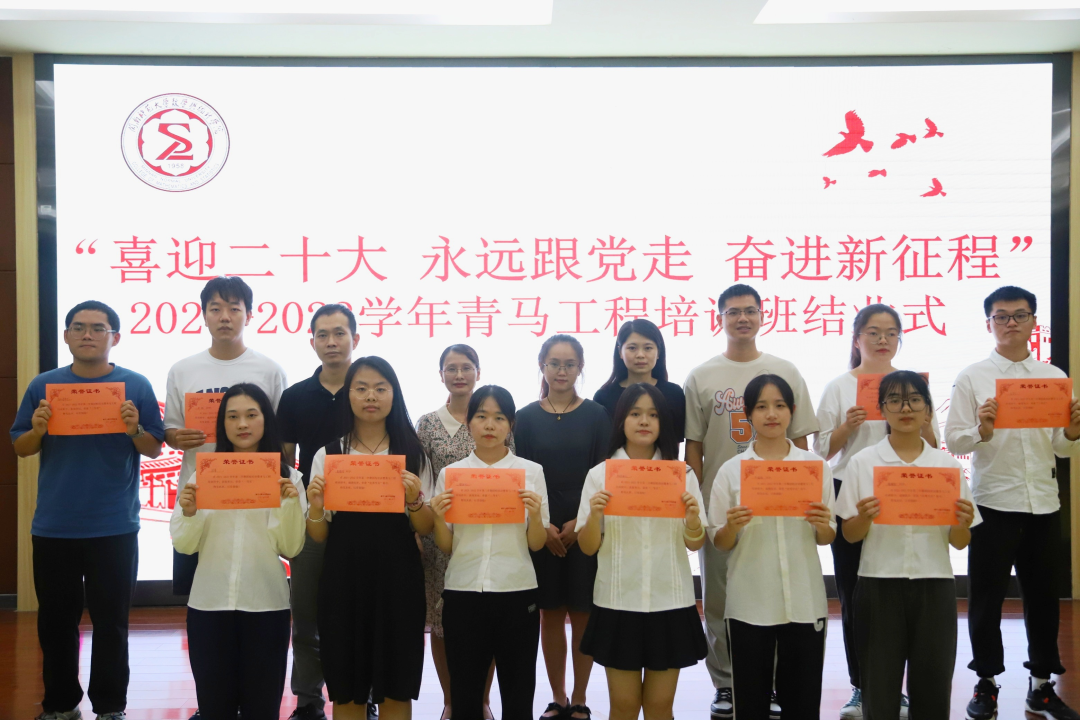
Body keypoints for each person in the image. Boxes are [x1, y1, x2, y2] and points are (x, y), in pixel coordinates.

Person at [11, 300, 165, 720]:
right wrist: (38, 430)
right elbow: (21, 447)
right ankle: (61, 706)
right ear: (66, 336)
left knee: (111, 623)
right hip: (54, 526)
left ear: (115, 337)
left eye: (98, 328)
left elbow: (153, 448)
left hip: (114, 525)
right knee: (56, 623)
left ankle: (110, 707)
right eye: (78, 327)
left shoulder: (134, 385)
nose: (87, 335)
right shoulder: (44, 385)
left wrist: (134, 429)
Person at [683, 283, 819, 720]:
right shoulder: (702, 375)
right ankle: (726, 683)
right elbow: (694, 446)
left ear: (762, 315)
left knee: (778, 591)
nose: (742, 318)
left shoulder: (785, 369)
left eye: (750, 311)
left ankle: (774, 683)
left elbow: (802, 442)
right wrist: (701, 501)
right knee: (721, 597)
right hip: (725, 504)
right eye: (733, 311)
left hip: (784, 505)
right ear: (719, 318)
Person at [945, 286, 1080, 720]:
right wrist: (981, 431)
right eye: (1001, 316)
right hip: (993, 502)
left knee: (1043, 598)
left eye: (1020, 315)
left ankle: (1041, 686)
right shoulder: (973, 377)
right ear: (989, 324)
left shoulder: (1053, 376)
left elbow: (1060, 447)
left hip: (1043, 502)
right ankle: (986, 683)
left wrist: (1073, 432)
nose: (1010, 323)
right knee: (986, 599)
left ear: (1034, 322)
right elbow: (954, 440)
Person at [814, 303, 939, 719]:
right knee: (854, 593)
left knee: (900, 593)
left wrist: (922, 421)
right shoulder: (839, 387)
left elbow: (935, 447)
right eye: (873, 332)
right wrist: (847, 427)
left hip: (907, 491)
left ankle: (896, 688)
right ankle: (861, 685)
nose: (882, 340)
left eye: (890, 333)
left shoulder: (913, 384)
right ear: (857, 339)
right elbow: (820, 451)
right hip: (851, 493)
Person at [838, 371, 978, 720]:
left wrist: (961, 523)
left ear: (928, 411)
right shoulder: (862, 463)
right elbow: (850, 535)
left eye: (915, 400)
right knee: (879, 688)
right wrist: (864, 518)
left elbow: (960, 542)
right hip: (878, 584)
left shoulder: (947, 467)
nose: (905, 408)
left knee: (933, 688)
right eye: (895, 400)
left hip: (935, 585)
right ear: (881, 409)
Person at [305, 357, 435, 720]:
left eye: (380, 388)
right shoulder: (329, 455)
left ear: (394, 394)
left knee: (396, 683)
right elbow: (319, 533)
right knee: (347, 687)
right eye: (360, 388)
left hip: (398, 579)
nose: (370, 396)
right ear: (348, 395)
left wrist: (415, 499)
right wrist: (315, 507)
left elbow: (425, 527)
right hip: (343, 579)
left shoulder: (412, 453)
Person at [171, 384, 306, 720]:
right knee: (215, 707)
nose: (242, 424)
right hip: (209, 604)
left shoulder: (289, 478)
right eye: (232, 416)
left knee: (262, 707)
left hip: (266, 604)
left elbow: (291, 547)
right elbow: (184, 545)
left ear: (266, 420)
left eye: (251, 415)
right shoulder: (202, 474)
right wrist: (189, 512)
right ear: (222, 424)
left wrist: (289, 505)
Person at [576, 383, 707, 720]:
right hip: (618, 601)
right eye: (635, 413)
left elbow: (695, 542)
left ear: (664, 422)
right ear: (621, 420)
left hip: (670, 601)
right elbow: (588, 547)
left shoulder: (682, 475)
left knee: (660, 706)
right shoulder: (600, 476)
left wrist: (693, 519)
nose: (644, 421)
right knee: (623, 705)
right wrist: (594, 516)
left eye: (653, 414)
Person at [708, 374, 834, 720]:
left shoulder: (815, 467)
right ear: (748, 414)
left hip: (804, 600)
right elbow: (719, 541)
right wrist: (732, 527)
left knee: (803, 703)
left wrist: (823, 524)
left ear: (792, 411)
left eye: (779, 405)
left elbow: (827, 536)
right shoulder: (732, 471)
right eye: (761, 407)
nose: (771, 414)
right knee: (750, 703)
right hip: (749, 602)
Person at [430, 385, 550, 720]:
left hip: (517, 590)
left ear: (510, 425)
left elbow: (537, 543)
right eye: (481, 416)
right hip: (464, 590)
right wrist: (437, 517)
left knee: (518, 692)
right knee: (465, 693)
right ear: (469, 422)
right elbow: (446, 545)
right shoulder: (452, 475)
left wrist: (535, 515)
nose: (489, 425)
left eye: (499, 418)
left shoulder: (531, 472)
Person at [164, 276, 287, 600]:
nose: (224, 317)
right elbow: (170, 430)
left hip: (255, 494)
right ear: (203, 315)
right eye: (215, 309)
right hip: (199, 494)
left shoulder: (270, 370)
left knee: (256, 586)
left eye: (234, 308)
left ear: (249, 315)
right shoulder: (182, 370)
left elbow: (278, 437)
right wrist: (178, 437)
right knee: (198, 592)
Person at [514, 334, 611, 720]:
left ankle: (581, 697)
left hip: (584, 528)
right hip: (542, 528)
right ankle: (558, 697)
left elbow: (603, 473)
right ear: (542, 366)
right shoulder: (524, 417)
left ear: (580, 367)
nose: (561, 371)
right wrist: (545, 526)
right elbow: (520, 475)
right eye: (554, 363)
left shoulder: (597, 415)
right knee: (550, 614)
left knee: (583, 613)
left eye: (570, 364)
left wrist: (580, 522)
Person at [276, 304, 361, 720]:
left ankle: (362, 696)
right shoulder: (294, 397)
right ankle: (308, 700)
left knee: (359, 614)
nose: (331, 342)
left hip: (362, 518)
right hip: (312, 519)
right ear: (312, 342)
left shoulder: (369, 391)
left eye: (339, 333)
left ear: (355, 339)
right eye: (323, 335)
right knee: (306, 614)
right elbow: (285, 460)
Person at [416, 345, 509, 720]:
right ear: (440, 375)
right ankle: (451, 700)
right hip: (440, 536)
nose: (459, 375)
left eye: (466, 367)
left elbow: (511, 471)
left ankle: (482, 700)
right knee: (442, 625)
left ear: (478, 373)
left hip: (487, 536)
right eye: (451, 368)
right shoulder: (427, 423)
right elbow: (421, 481)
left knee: (486, 623)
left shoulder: (493, 418)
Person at [592, 319, 686, 441]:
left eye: (648, 348)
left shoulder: (673, 393)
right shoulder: (604, 397)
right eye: (632, 348)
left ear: (658, 352)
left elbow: (674, 445)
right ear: (620, 352)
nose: (640, 355)